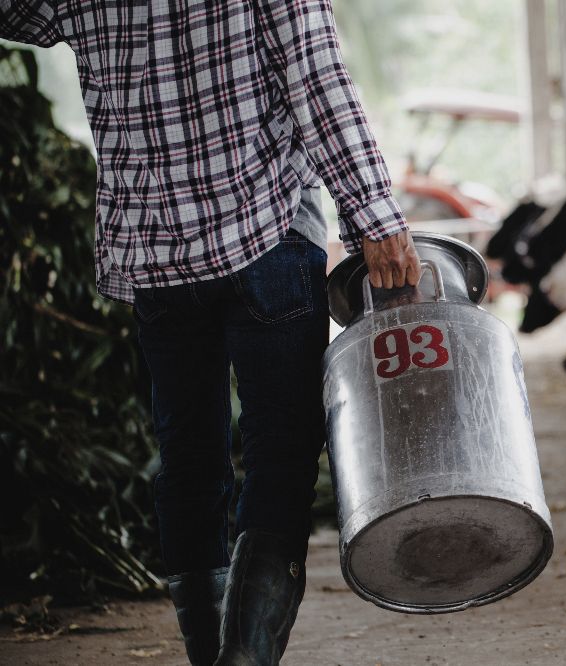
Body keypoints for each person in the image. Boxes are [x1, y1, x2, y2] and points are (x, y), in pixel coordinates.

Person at [1, 2, 420, 664]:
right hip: (267, 234)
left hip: (155, 250)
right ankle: (243, 660)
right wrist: (374, 215)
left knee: (189, 455)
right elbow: (316, 77)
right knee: (279, 454)